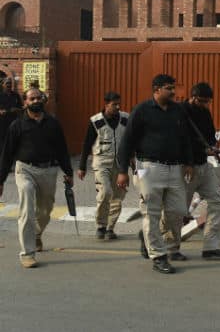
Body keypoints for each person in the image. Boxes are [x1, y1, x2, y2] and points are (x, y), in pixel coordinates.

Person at [116, 74, 193, 275]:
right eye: (169, 88)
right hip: (147, 167)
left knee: (177, 212)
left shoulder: (178, 111)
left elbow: (186, 138)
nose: (173, 92)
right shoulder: (142, 110)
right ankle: (159, 256)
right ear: (157, 89)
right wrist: (122, 171)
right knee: (151, 212)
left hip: (175, 168)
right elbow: (127, 142)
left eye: (173, 87)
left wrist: (189, 163)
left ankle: (160, 242)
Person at [0, 88, 73, 268]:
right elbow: (7, 154)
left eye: (38, 97)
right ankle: (27, 253)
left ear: (43, 100)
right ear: (25, 102)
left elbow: (62, 149)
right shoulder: (17, 125)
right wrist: (0, 180)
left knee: (45, 211)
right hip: (25, 170)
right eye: (31, 98)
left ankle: (37, 234)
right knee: (27, 208)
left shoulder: (53, 123)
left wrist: (68, 172)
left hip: (48, 171)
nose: (35, 101)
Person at [161, 82, 220, 260]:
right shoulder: (179, 112)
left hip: (203, 166)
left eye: (208, 102)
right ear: (193, 98)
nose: (206, 105)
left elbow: (209, 136)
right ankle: (171, 248)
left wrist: (210, 147)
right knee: (178, 210)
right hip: (185, 167)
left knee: (218, 202)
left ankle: (211, 247)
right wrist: (192, 158)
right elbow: (178, 141)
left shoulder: (205, 112)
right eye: (202, 101)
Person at [77, 92, 129, 240]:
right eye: (114, 104)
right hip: (101, 162)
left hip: (120, 165)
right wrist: (82, 166)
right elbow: (87, 144)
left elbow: (131, 140)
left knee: (117, 198)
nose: (118, 107)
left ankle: (110, 228)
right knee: (105, 192)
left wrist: (132, 160)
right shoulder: (96, 121)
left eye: (119, 104)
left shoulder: (125, 118)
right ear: (106, 104)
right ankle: (101, 225)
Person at [0, 77, 23, 152]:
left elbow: (21, 107)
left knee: (13, 138)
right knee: (3, 140)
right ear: (2, 85)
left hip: (14, 121)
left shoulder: (16, 95)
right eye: (7, 83)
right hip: (2, 122)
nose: (9, 85)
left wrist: (17, 109)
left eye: (10, 83)